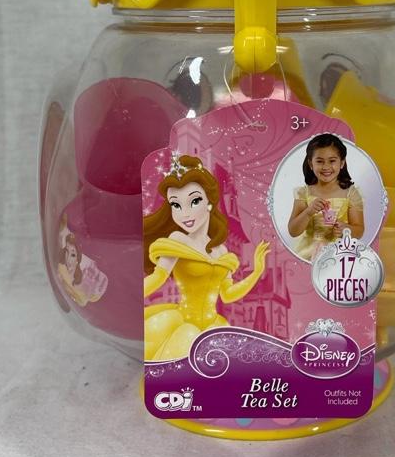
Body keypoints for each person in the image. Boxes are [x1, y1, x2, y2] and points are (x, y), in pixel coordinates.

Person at [142, 154, 269, 362]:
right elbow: (158, 277)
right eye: (176, 205)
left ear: (209, 202)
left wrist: (256, 271)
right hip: (185, 325)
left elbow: (227, 294)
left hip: (213, 326)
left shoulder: (221, 252)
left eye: (194, 201)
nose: (185, 213)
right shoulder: (177, 240)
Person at [287, 133, 364, 262]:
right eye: (319, 161)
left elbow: (359, 229)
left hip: (338, 253)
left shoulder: (351, 193)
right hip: (307, 253)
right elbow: (293, 231)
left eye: (332, 161)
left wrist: (347, 229)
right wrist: (308, 212)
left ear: (342, 163)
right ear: (310, 164)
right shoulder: (304, 193)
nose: (326, 167)